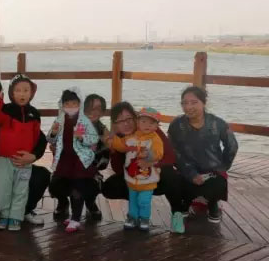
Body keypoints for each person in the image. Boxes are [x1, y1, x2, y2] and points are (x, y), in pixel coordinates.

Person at [0, 77, 50, 229]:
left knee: (42, 175)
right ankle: (5, 213)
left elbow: (40, 139)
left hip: (18, 167)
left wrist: (33, 156)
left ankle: (23, 211)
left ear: (2, 95)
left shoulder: (13, 113)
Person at [101, 101, 187, 233]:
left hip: (155, 178)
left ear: (135, 118)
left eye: (129, 119)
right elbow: (118, 170)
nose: (126, 123)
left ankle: (177, 213)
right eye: (120, 121)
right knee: (109, 187)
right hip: (134, 179)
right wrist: (114, 150)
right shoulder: (119, 139)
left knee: (170, 174)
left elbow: (170, 157)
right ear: (115, 124)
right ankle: (135, 213)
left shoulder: (150, 129)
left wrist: (151, 163)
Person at [168, 86, 238, 224]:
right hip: (185, 169)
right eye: (184, 103)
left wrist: (222, 167)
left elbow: (232, 146)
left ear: (204, 103)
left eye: (194, 102)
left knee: (218, 180)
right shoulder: (176, 124)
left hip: (212, 171)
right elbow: (172, 150)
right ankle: (184, 203)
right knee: (171, 177)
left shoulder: (218, 123)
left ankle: (212, 205)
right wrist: (190, 173)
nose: (188, 107)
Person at [0, 74, 42, 231]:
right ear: (11, 93)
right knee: (3, 190)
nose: (22, 94)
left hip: (24, 161)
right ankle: (4, 215)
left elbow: (37, 137)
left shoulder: (35, 114)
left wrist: (32, 155)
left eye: (26, 90)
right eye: (17, 90)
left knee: (21, 190)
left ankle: (16, 217)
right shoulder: (5, 109)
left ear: (31, 92)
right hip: (4, 159)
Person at [47, 87, 99, 233]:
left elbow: (94, 139)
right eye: (67, 104)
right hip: (64, 161)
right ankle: (70, 213)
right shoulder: (59, 120)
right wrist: (53, 133)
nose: (71, 107)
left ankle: (76, 219)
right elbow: (50, 139)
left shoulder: (84, 121)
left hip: (80, 161)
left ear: (79, 104)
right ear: (62, 105)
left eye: (74, 103)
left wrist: (82, 138)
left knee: (78, 187)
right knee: (63, 184)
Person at [52, 93, 108, 221]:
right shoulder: (68, 124)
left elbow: (104, 163)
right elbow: (56, 147)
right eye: (89, 107)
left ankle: (90, 202)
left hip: (88, 171)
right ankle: (63, 202)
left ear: (103, 112)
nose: (93, 111)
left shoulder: (104, 132)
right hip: (66, 168)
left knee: (91, 184)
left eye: (97, 108)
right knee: (55, 183)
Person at [109, 107, 164, 231]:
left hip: (148, 180)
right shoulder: (131, 137)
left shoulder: (155, 139)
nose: (147, 125)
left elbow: (159, 154)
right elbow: (122, 146)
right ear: (138, 122)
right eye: (143, 121)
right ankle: (132, 217)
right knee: (133, 200)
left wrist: (148, 154)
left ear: (156, 126)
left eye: (151, 123)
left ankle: (144, 218)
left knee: (144, 200)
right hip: (131, 179)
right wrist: (113, 139)